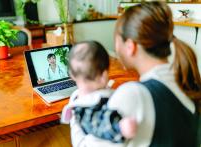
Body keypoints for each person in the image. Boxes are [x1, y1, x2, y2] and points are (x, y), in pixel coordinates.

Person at [70, 2, 201, 147]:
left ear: (130, 46)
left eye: (117, 40)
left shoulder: (134, 94)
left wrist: (77, 107)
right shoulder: (184, 78)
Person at [61, 41, 137, 144]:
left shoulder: (75, 98)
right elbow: (101, 125)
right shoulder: (92, 106)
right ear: (103, 76)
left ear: (71, 75)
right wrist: (120, 127)